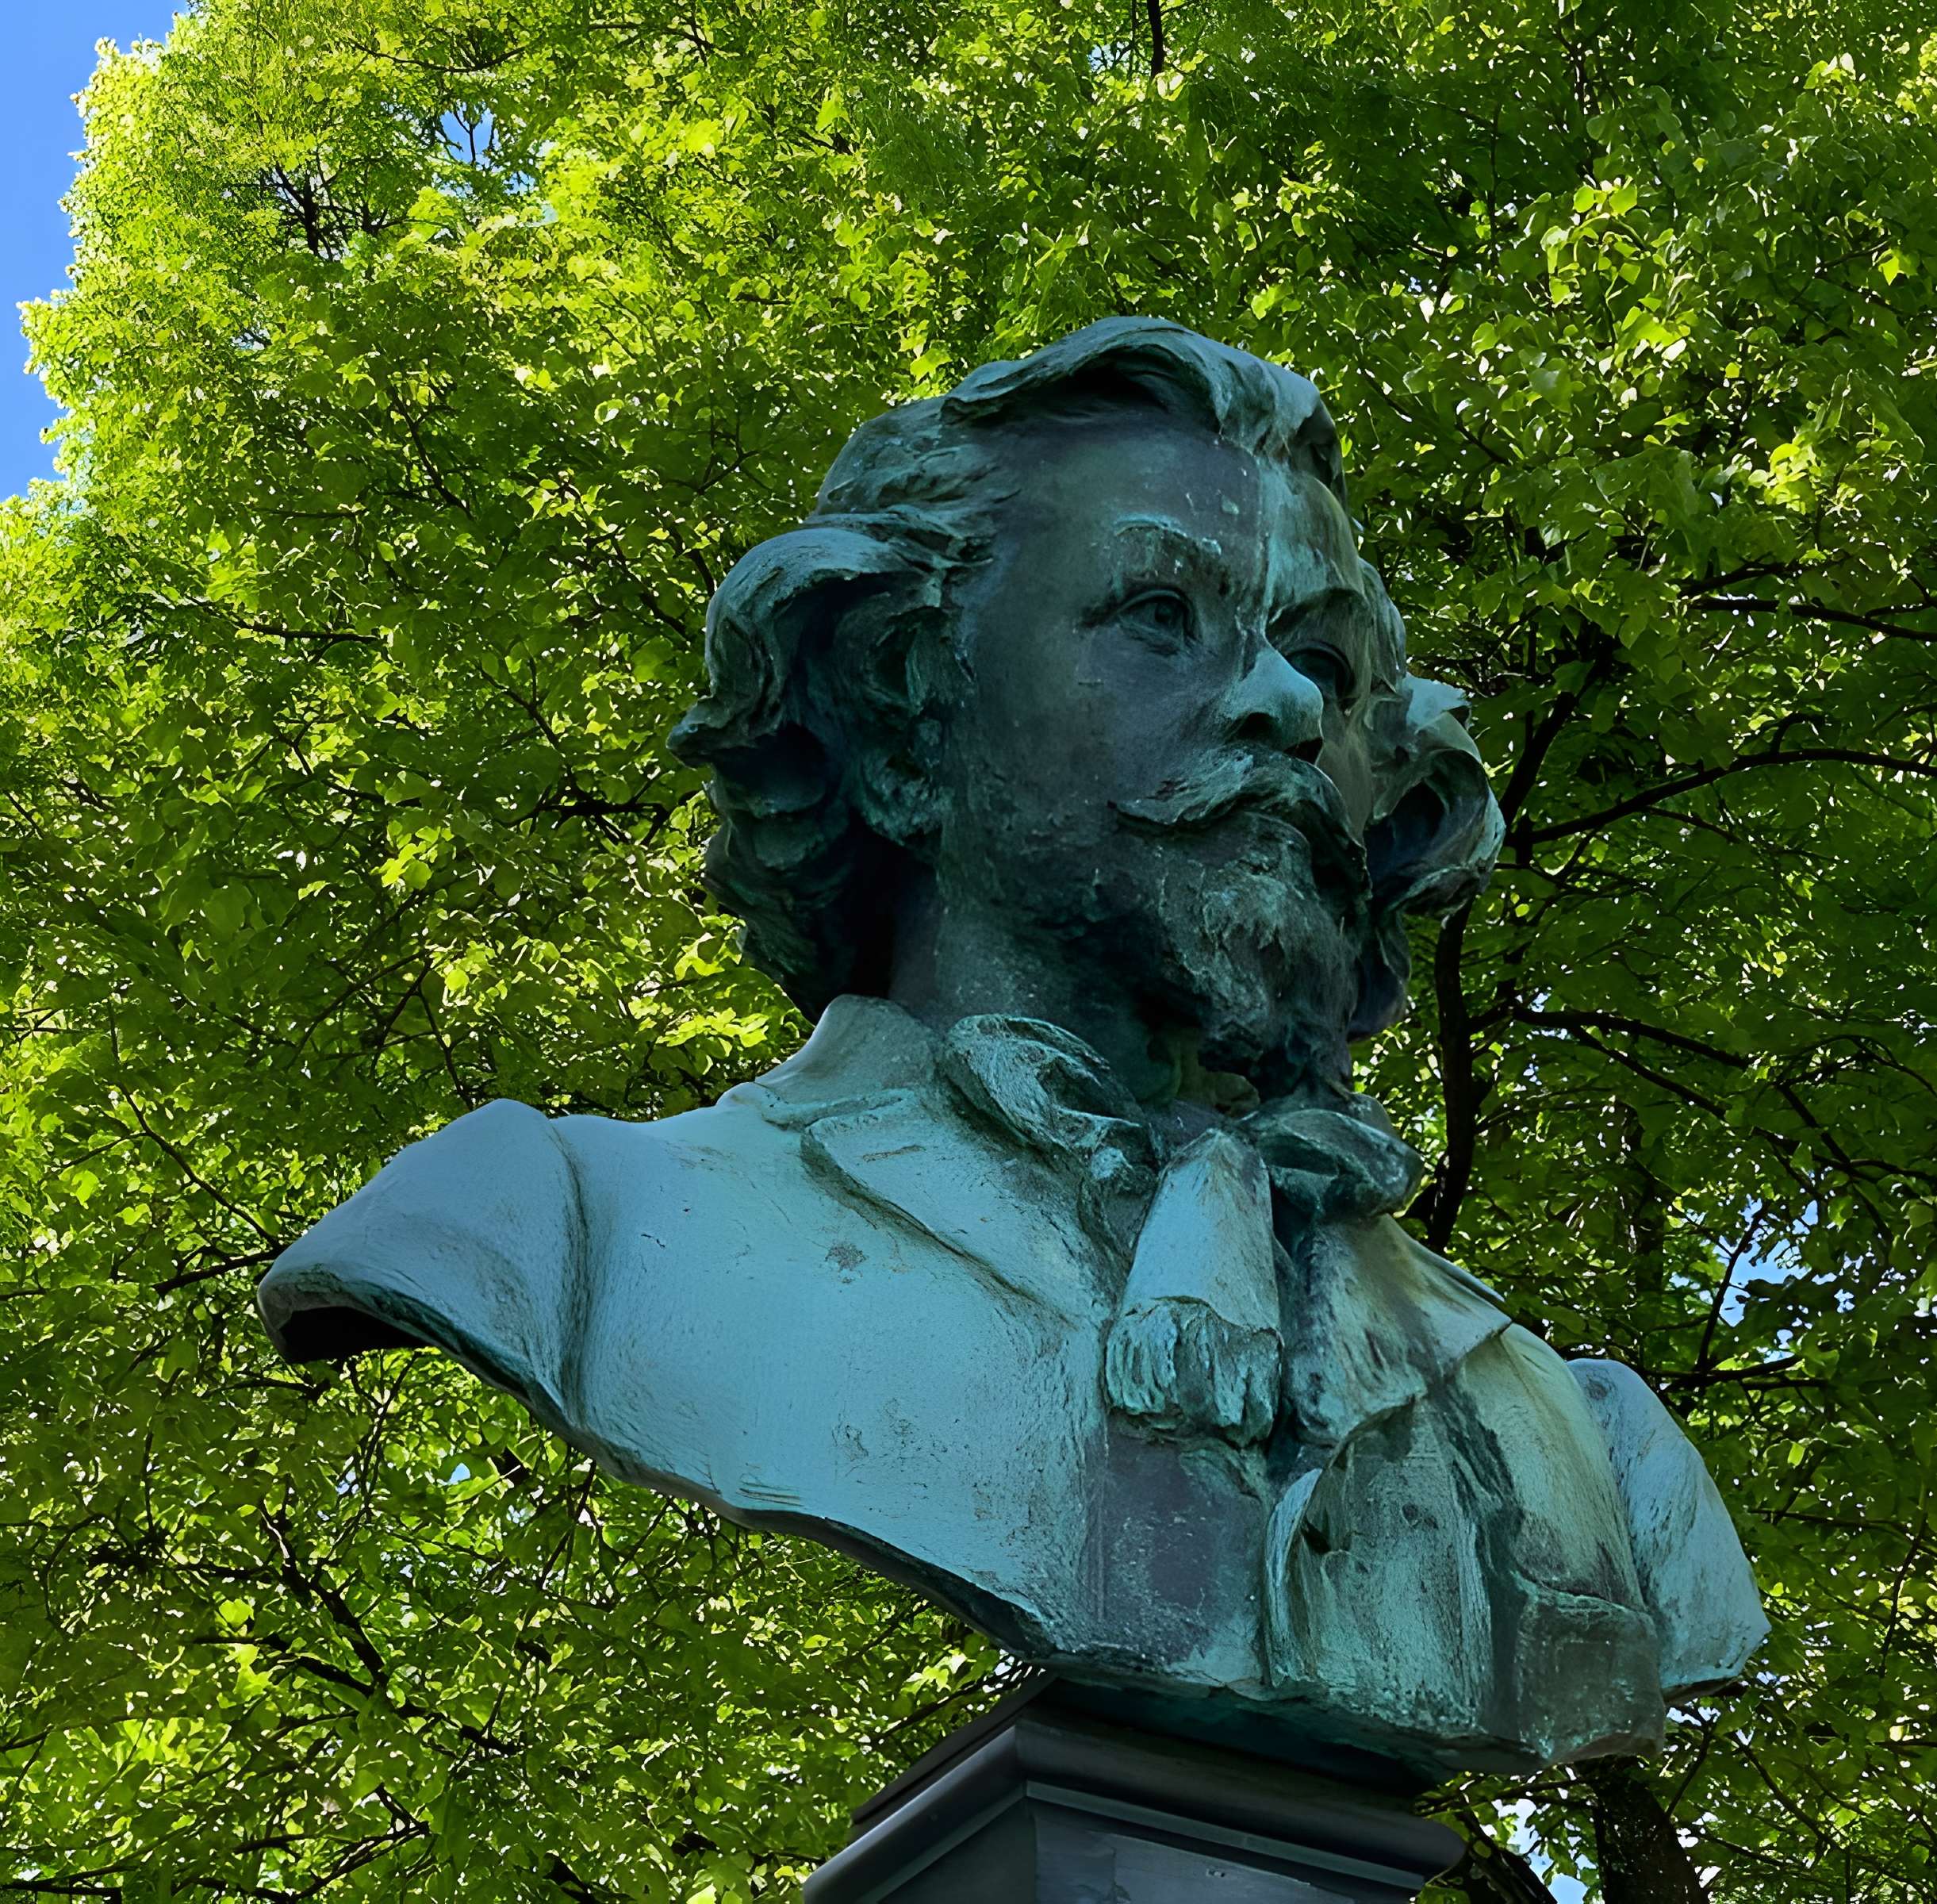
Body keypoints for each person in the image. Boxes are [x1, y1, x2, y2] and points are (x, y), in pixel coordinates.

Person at [258, 318, 1764, 1774]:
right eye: (1159, 620)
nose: (1287, 706)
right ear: (905, 717)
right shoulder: (562, 1236)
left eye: (1325, 661)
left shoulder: (1594, 1449)